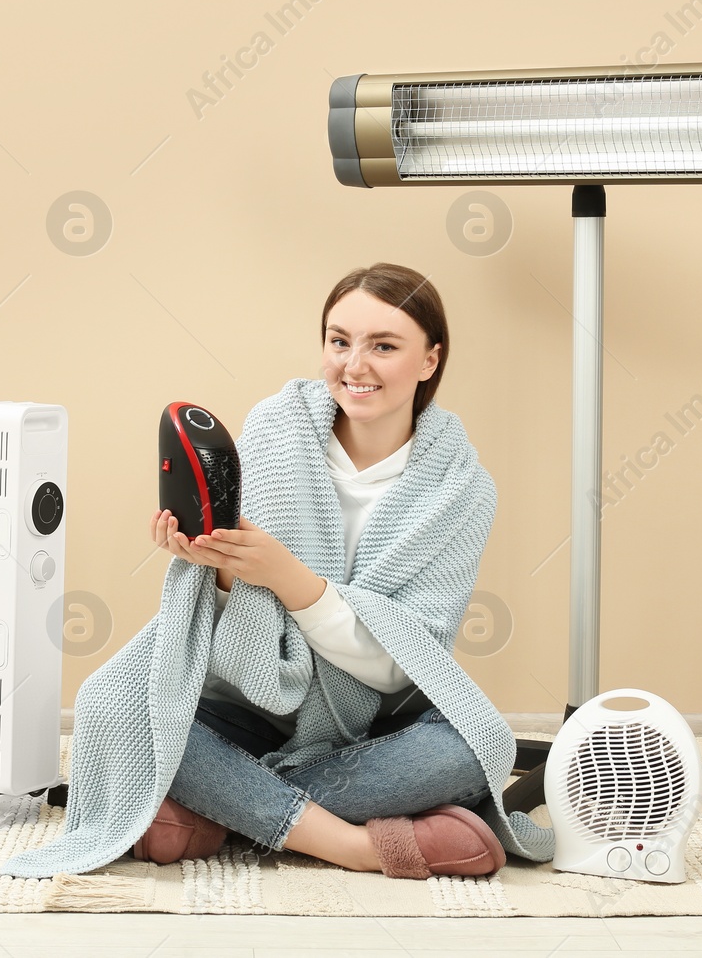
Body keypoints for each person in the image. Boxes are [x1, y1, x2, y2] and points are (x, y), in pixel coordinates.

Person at [138, 262, 508, 878]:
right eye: (339, 341)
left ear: (429, 360)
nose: (353, 365)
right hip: (244, 709)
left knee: (477, 749)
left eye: (383, 346)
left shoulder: (461, 490)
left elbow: (401, 666)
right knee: (133, 712)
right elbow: (233, 638)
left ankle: (223, 809)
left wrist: (290, 579)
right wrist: (216, 569)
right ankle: (355, 846)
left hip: (371, 722)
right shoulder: (274, 430)